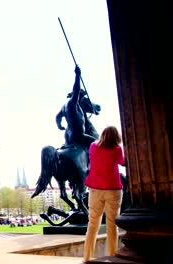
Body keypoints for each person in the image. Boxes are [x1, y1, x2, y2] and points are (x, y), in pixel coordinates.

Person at [83, 126, 125, 262]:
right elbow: (123, 162)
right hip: (113, 189)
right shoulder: (117, 150)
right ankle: (111, 257)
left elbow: (91, 159)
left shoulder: (93, 147)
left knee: (93, 224)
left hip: (95, 189)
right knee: (112, 225)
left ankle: (87, 258)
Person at [56, 65, 97, 149]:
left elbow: (57, 117)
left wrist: (59, 126)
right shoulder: (72, 102)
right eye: (80, 96)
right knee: (98, 144)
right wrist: (78, 75)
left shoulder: (64, 106)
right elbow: (76, 89)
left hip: (68, 136)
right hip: (78, 136)